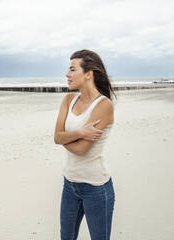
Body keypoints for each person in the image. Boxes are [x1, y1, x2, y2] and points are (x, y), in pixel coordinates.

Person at [54, 49, 117, 240]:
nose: (67, 74)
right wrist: (80, 133)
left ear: (88, 74)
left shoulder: (103, 105)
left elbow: (81, 149)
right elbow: (57, 137)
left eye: (73, 69)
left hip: (95, 187)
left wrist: (66, 137)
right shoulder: (68, 99)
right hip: (70, 183)